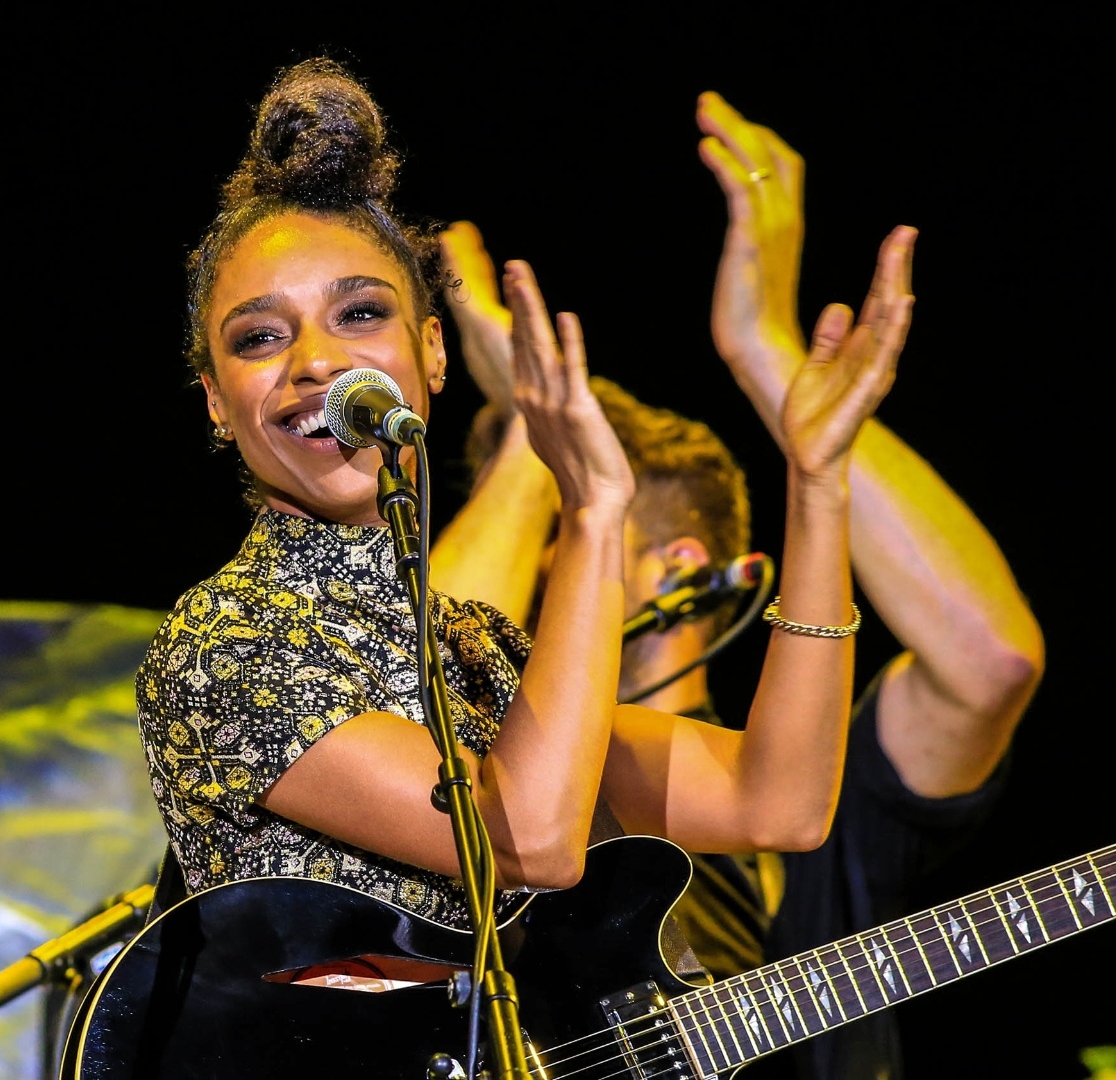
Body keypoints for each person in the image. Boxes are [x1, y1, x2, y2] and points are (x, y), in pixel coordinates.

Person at [134, 45, 900, 1034]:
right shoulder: (223, 642)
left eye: (360, 313)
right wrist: (590, 510)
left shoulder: (478, 650)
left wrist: (818, 482)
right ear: (215, 400)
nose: (316, 360)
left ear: (433, 351)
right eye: (260, 336)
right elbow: (531, 840)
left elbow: (778, 802)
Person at [427, 92, 1045, 1080]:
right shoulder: (499, 782)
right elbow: (419, 669)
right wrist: (531, 447)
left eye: (571, 540)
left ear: (676, 568)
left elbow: (989, 658)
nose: (536, 576)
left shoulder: (813, 786)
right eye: (558, 531)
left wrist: (769, 352)